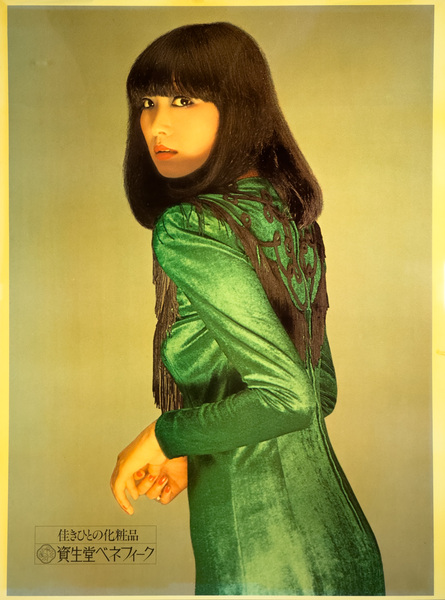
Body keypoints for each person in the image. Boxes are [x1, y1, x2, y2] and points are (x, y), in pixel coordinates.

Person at [110, 22, 385, 596]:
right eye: (147, 103)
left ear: (238, 106)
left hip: (261, 554)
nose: (157, 125)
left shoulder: (191, 225)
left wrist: (165, 435)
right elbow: (319, 391)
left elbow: (289, 397)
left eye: (183, 100)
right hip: (342, 540)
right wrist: (196, 448)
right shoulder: (285, 215)